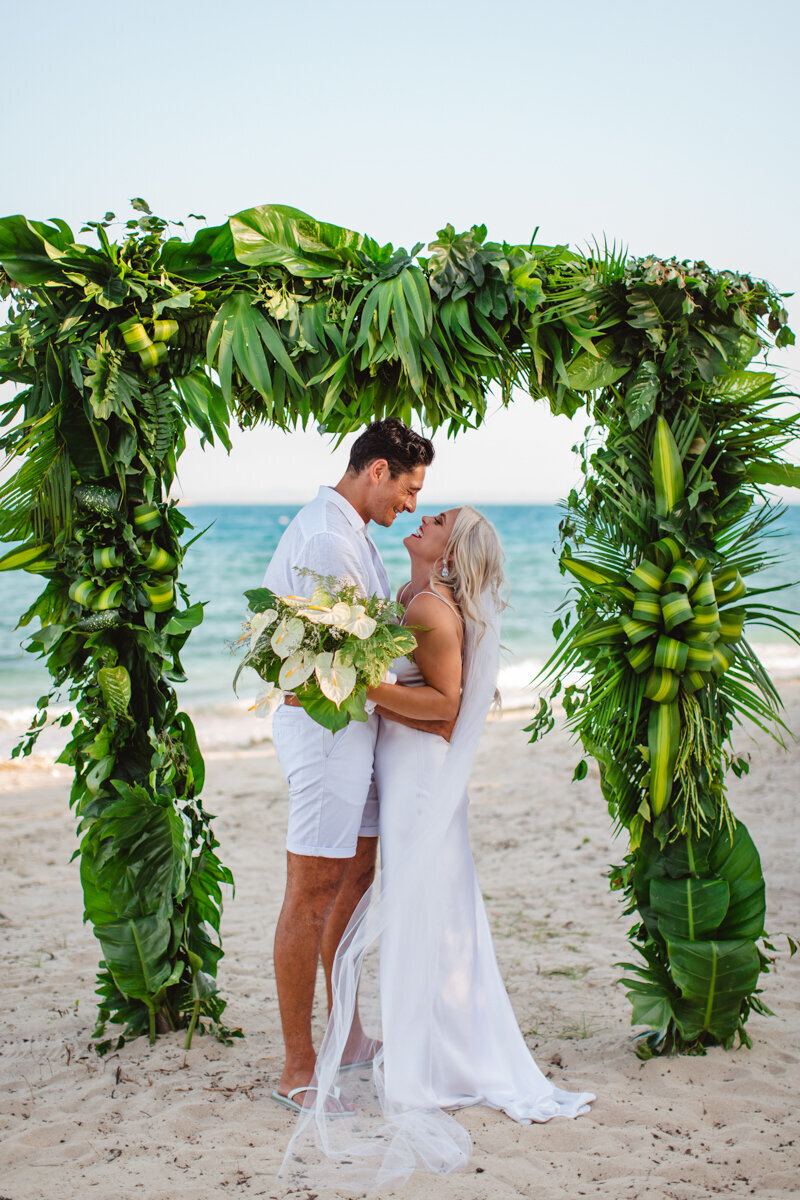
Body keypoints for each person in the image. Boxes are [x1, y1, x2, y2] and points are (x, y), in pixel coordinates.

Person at [281, 506, 595, 1190]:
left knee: (430, 908)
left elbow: (447, 707)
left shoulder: (431, 608)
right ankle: (438, 1051)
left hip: (420, 772)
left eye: (439, 519)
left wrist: (358, 687)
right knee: (434, 906)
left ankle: (436, 1062)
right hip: (403, 768)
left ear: (451, 552)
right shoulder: (408, 596)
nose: (424, 518)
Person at [264, 418, 435, 1113]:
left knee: (357, 880)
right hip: (323, 732)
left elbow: (372, 646)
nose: (413, 505)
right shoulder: (329, 538)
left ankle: (350, 1034)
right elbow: (330, 662)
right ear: (377, 471)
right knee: (313, 888)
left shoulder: (355, 534)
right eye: (410, 488)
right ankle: (299, 1066)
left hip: (356, 730)